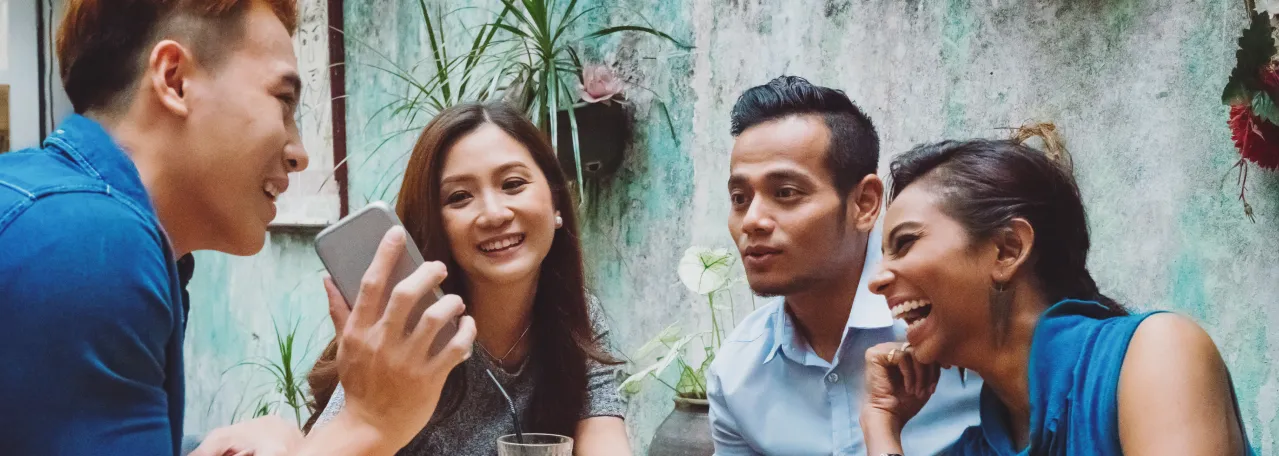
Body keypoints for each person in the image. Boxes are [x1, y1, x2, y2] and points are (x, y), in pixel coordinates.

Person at [0, 1, 476, 454]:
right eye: (283, 101)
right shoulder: (87, 244)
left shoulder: (59, 213)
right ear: (175, 80)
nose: (299, 150)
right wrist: (367, 426)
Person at [860, 133, 1255, 455]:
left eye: (906, 242)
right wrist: (880, 425)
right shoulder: (972, 450)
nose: (877, 280)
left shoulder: (1157, 355)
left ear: (1008, 249)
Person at [305, 102, 632, 456]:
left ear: (555, 205)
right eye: (460, 197)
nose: (493, 214)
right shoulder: (411, 331)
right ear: (435, 223)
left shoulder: (577, 317)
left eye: (513, 184)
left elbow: (605, 440)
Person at [706, 76, 981, 455]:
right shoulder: (738, 375)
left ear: (865, 204)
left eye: (785, 193)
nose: (752, 220)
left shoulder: (954, 331)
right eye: (740, 198)